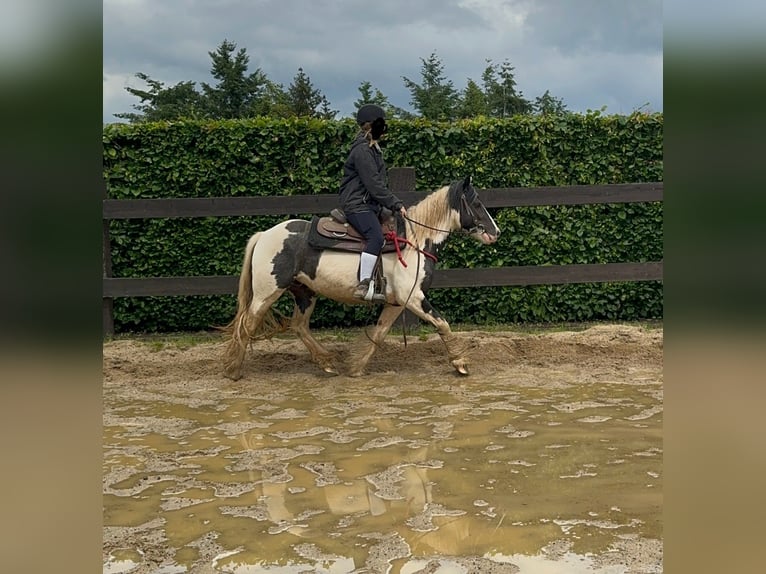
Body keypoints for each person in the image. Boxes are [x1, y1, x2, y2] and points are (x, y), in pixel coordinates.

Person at [338, 104, 407, 300]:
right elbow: (374, 185)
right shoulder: (363, 151)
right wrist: (395, 203)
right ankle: (364, 283)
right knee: (376, 237)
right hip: (357, 205)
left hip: (368, 204)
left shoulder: (372, 149)